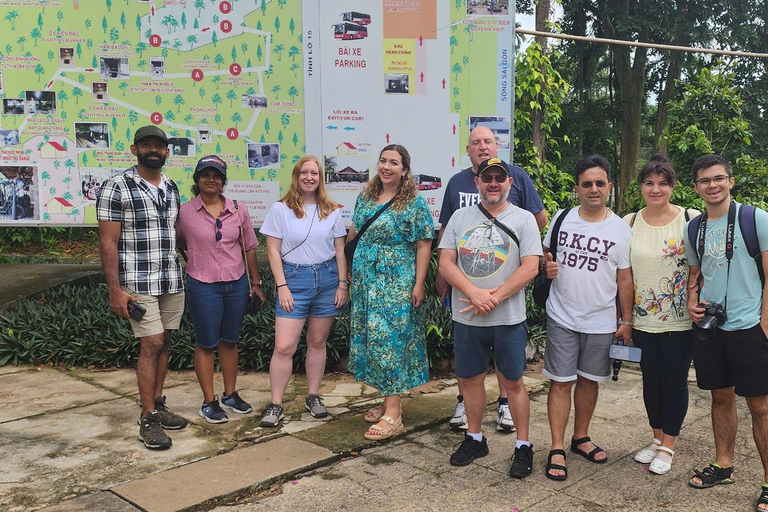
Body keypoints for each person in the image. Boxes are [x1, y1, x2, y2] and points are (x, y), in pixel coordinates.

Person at [437, 126, 548, 433]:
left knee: (513, 382)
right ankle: (474, 437)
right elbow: (445, 261)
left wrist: (492, 297)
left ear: (510, 182)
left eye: (500, 178)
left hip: (508, 317)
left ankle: (523, 444)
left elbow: (530, 266)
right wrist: (473, 293)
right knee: (470, 381)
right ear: (478, 182)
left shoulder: (523, 219)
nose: (494, 183)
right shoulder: (460, 218)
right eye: (488, 178)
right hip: (467, 318)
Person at [684, 154, 768, 511]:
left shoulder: (754, 219)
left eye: (719, 178)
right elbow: (693, 276)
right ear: (696, 187)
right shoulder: (694, 228)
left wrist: (765, 324)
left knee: (761, 407)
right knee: (720, 399)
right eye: (705, 180)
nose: (712, 185)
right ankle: (724, 465)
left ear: (731, 181)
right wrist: (691, 302)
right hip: (712, 329)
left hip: (751, 327)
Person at [541, 155, 633, 480]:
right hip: (562, 315)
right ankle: (555, 446)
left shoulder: (621, 229)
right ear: (577, 188)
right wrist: (546, 267)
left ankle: (580, 437)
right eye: (586, 184)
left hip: (601, 320)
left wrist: (626, 322)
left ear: (609, 186)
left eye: (599, 183)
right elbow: (546, 257)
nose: (593, 189)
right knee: (560, 381)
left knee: (589, 381)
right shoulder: (562, 218)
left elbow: (624, 278)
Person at [96, 125, 187, 450]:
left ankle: (158, 403)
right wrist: (114, 290)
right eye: (146, 145)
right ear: (135, 150)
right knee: (152, 343)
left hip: (171, 279)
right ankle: (147, 416)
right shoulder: (117, 186)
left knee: (166, 342)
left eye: (159, 146)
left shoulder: (172, 187)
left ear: (166, 152)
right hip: (138, 282)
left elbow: (175, 234)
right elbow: (108, 242)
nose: (153, 150)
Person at [347, 144, 434, 440]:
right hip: (366, 280)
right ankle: (387, 401)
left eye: (393, 163)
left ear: (404, 169)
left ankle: (394, 415)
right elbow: (355, 231)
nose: (386, 167)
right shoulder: (366, 195)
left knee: (391, 341)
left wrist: (419, 283)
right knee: (372, 338)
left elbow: (424, 244)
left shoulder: (414, 203)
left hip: (396, 281)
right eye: (383, 161)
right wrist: (350, 268)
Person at [259, 156, 348, 428]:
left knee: (317, 342)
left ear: (321, 178)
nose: (310, 177)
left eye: (315, 173)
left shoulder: (331, 210)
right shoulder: (280, 209)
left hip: (327, 279)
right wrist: (282, 285)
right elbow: (272, 250)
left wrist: (343, 284)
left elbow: (340, 249)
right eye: (304, 173)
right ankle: (276, 404)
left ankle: (313, 396)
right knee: (284, 346)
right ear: (297, 176)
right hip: (294, 279)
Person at [176, 155, 266, 424]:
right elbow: (179, 239)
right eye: (205, 174)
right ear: (197, 179)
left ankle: (229, 394)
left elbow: (248, 246)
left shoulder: (238, 210)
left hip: (236, 283)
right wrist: (193, 256)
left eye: (217, 175)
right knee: (206, 343)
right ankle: (208, 401)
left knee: (230, 340)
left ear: (223, 180)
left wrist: (256, 283)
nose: (211, 179)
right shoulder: (185, 212)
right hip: (203, 284)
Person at [623, 155, 698, 475]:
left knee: (674, 381)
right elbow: (622, 276)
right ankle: (656, 439)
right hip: (641, 321)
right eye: (649, 183)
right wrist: (625, 320)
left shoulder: (690, 219)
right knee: (650, 382)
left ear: (673, 186)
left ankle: (669, 445)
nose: (656, 189)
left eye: (663, 183)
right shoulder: (628, 221)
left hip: (680, 320)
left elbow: (700, 269)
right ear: (640, 186)